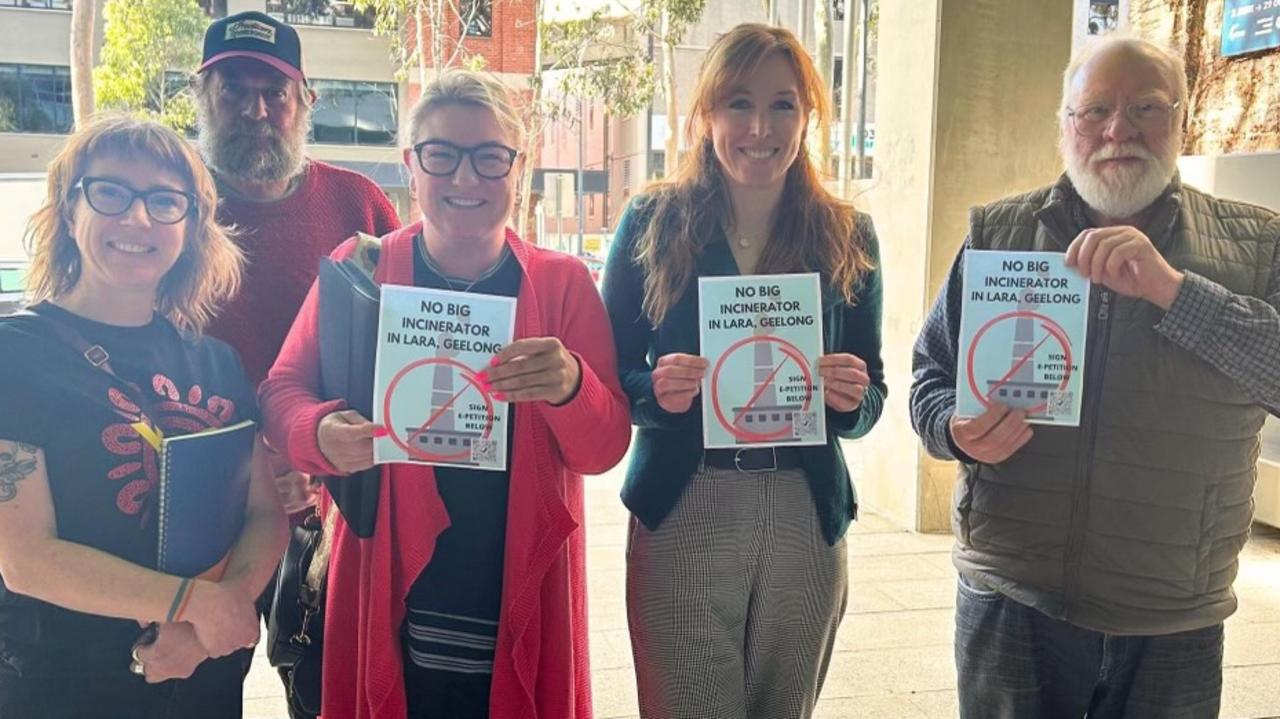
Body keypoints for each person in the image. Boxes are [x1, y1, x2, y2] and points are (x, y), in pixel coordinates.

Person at [909, 37, 1280, 718]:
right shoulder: (1000, 233)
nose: (1118, 130)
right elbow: (929, 377)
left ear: (1182, 117)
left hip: (1173, 617)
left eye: (1145, 108)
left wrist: (1175, 291)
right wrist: (953, 430)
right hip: (1012, 596)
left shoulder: (1259, 243)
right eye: (1095, 110)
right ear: (1065, 125)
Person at [260, 69, 631, 718]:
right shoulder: (363, 267)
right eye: (442, 155)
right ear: (411, 164)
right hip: (387, 596)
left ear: (519, 168)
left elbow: (605, 448)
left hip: (515, 597)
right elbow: (282, 390)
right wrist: (318, 432)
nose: (466, 179)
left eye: (490, 158)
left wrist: (571, 385)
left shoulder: (562, 283)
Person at [603, 24, 885, 719]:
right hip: (685, 500)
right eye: (738, 103)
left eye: (783, 105)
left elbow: (871, 391)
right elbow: (607, 374)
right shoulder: (651, 220)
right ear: (705, 114)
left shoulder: (847, 233)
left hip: (802, 510)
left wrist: (849, 398)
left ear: (807, 116)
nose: (760, 127)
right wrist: (654, 390)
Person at [0, 114, 288, 717]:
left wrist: (220, 609)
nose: (137, 218)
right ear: (69, 210)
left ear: (191, 226)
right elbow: (26, 560)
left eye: (164, 201)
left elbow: (265, 512)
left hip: (204, 678)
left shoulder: (217, 362)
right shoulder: (15, 353)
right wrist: (197, 606)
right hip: (61, 684)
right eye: (110, 192)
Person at [193, 10, 402, 515]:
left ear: (306, 100)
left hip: (340, 497)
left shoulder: (360, 204)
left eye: (275, 93)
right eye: (233, 91)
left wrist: (316, 444)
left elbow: (402, 342)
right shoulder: (169, 206)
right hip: (202, 491)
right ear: (201, 98)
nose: (255, 111)